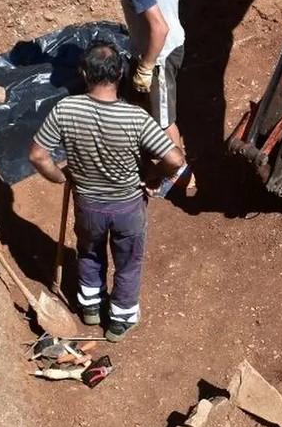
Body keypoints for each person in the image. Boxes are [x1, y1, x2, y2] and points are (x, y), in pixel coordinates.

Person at [28, 40, 185, 342]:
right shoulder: (135, 118)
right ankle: (119, 322)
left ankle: (90, 307)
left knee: (89, 252)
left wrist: (60, 178)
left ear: (84, 72)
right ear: (120, 74)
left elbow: (37, 155)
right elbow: (175, 159)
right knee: (128, 262)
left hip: (88, 204)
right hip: (127, 207)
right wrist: (153, 177)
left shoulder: (66, 108)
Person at [81, 0, 193, 196]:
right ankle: (158, 159)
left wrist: (146, 66)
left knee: (165, 119)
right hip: (151, 49)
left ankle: (180, 175)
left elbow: (160, 27)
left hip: (161, 54)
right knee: (144, 105)